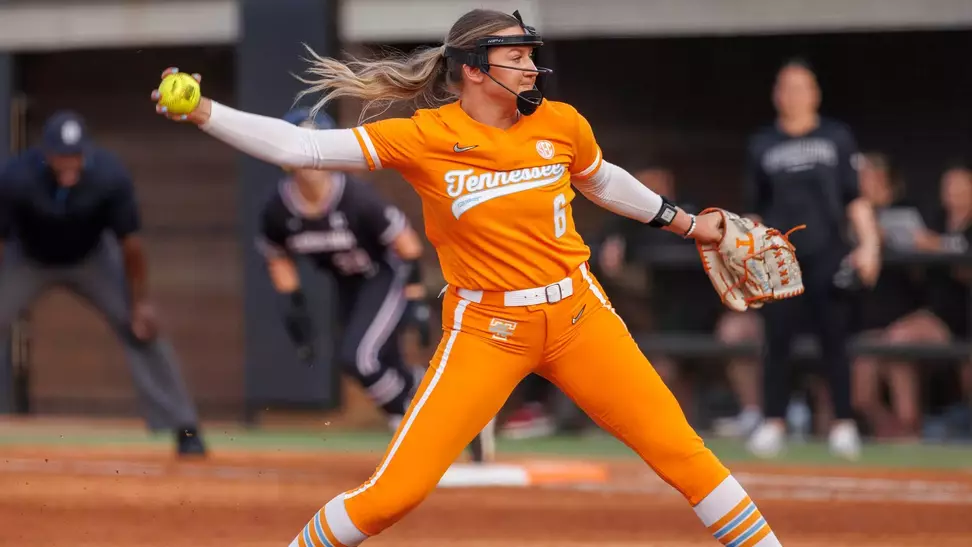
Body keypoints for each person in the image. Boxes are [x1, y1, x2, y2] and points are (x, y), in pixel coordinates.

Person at [152, 9, 784, 546]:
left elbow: (603, 180)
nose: (532, 66)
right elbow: (303, 151)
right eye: (517, 56)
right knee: (391, 497)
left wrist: (686, 223)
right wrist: (204, 110)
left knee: (682, 453)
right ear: (475, 69)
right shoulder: (427, 135)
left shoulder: (561, 122)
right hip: (486, 329)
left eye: (531, 55)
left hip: (577, 317)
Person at [256, 107, 495, 461]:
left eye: (314, 148)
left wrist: (414, 301)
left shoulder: (356, 199)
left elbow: (407, 247)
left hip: (386, 277)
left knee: (360, 358)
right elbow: (278, 256)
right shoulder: (279, 209)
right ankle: (461, 414)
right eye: (299, 149)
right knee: (387, 366)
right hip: (347, 286)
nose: (308, 163)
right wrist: (295, 310)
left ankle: (415, 427)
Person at [0, 110, 205, 456]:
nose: (68, 162)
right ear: (46, 153)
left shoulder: (110, 177)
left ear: (87, 153)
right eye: (61, 155)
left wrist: (140, 303)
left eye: (75, 155)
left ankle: (185, 427)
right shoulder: (16, 178)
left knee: (141, 328)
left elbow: (132, 246)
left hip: (91, 258)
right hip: (29, 258)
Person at [743, 59, 880, 460]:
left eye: (803, 87)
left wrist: (869, 245)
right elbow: (754, 209)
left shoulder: (836, 138)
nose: (795, 95)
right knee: (776, 342)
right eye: (787, 87)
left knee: (835, 342)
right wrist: (748, 251)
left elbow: (854, 199)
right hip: (779, 259)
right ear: (776, 95)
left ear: (816, 94)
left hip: (829, 253)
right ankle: (773, 422)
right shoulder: (762, 144)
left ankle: (842, 423)